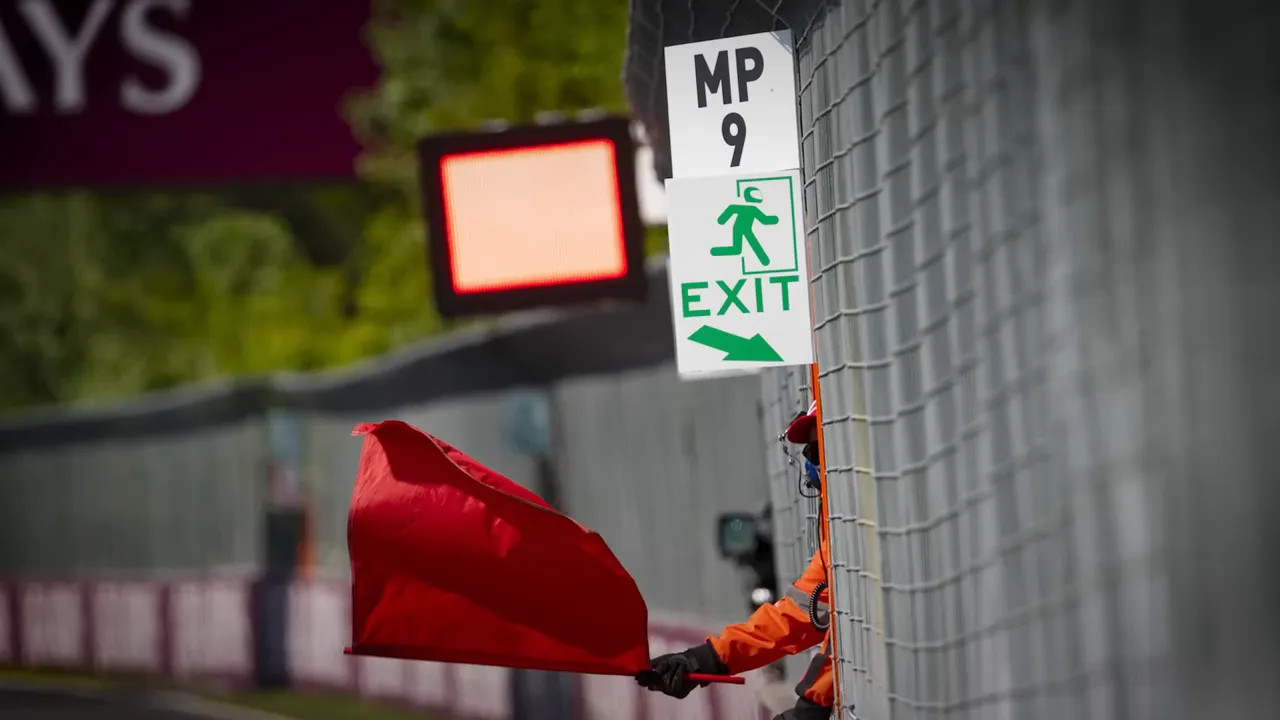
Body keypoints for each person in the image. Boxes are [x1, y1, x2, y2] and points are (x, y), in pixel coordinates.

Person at [635, 401, 835, 720]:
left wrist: (812, 705)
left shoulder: (865, 523)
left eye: (818, 447)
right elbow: (798, 615)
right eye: (810, 450)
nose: (812, 462)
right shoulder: (838, 531)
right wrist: (700, 659)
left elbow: (848, 630)